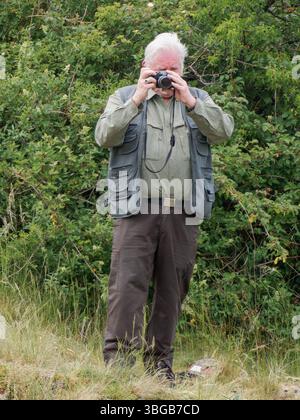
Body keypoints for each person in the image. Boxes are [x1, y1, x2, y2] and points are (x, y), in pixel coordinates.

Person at [95, 32, 234, 384]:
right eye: (160, 69)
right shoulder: (126, 96)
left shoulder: (196, 98)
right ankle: (120, 369)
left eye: (173, 69)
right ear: (145, 67)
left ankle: (160, 367)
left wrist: (191, 101)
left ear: (183, 71)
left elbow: (223, 132)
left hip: (184, 208)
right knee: (128, 285)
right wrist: (137, 100)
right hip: (135, 205)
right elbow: (103, 135)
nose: (166, 76)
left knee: (173, 288)